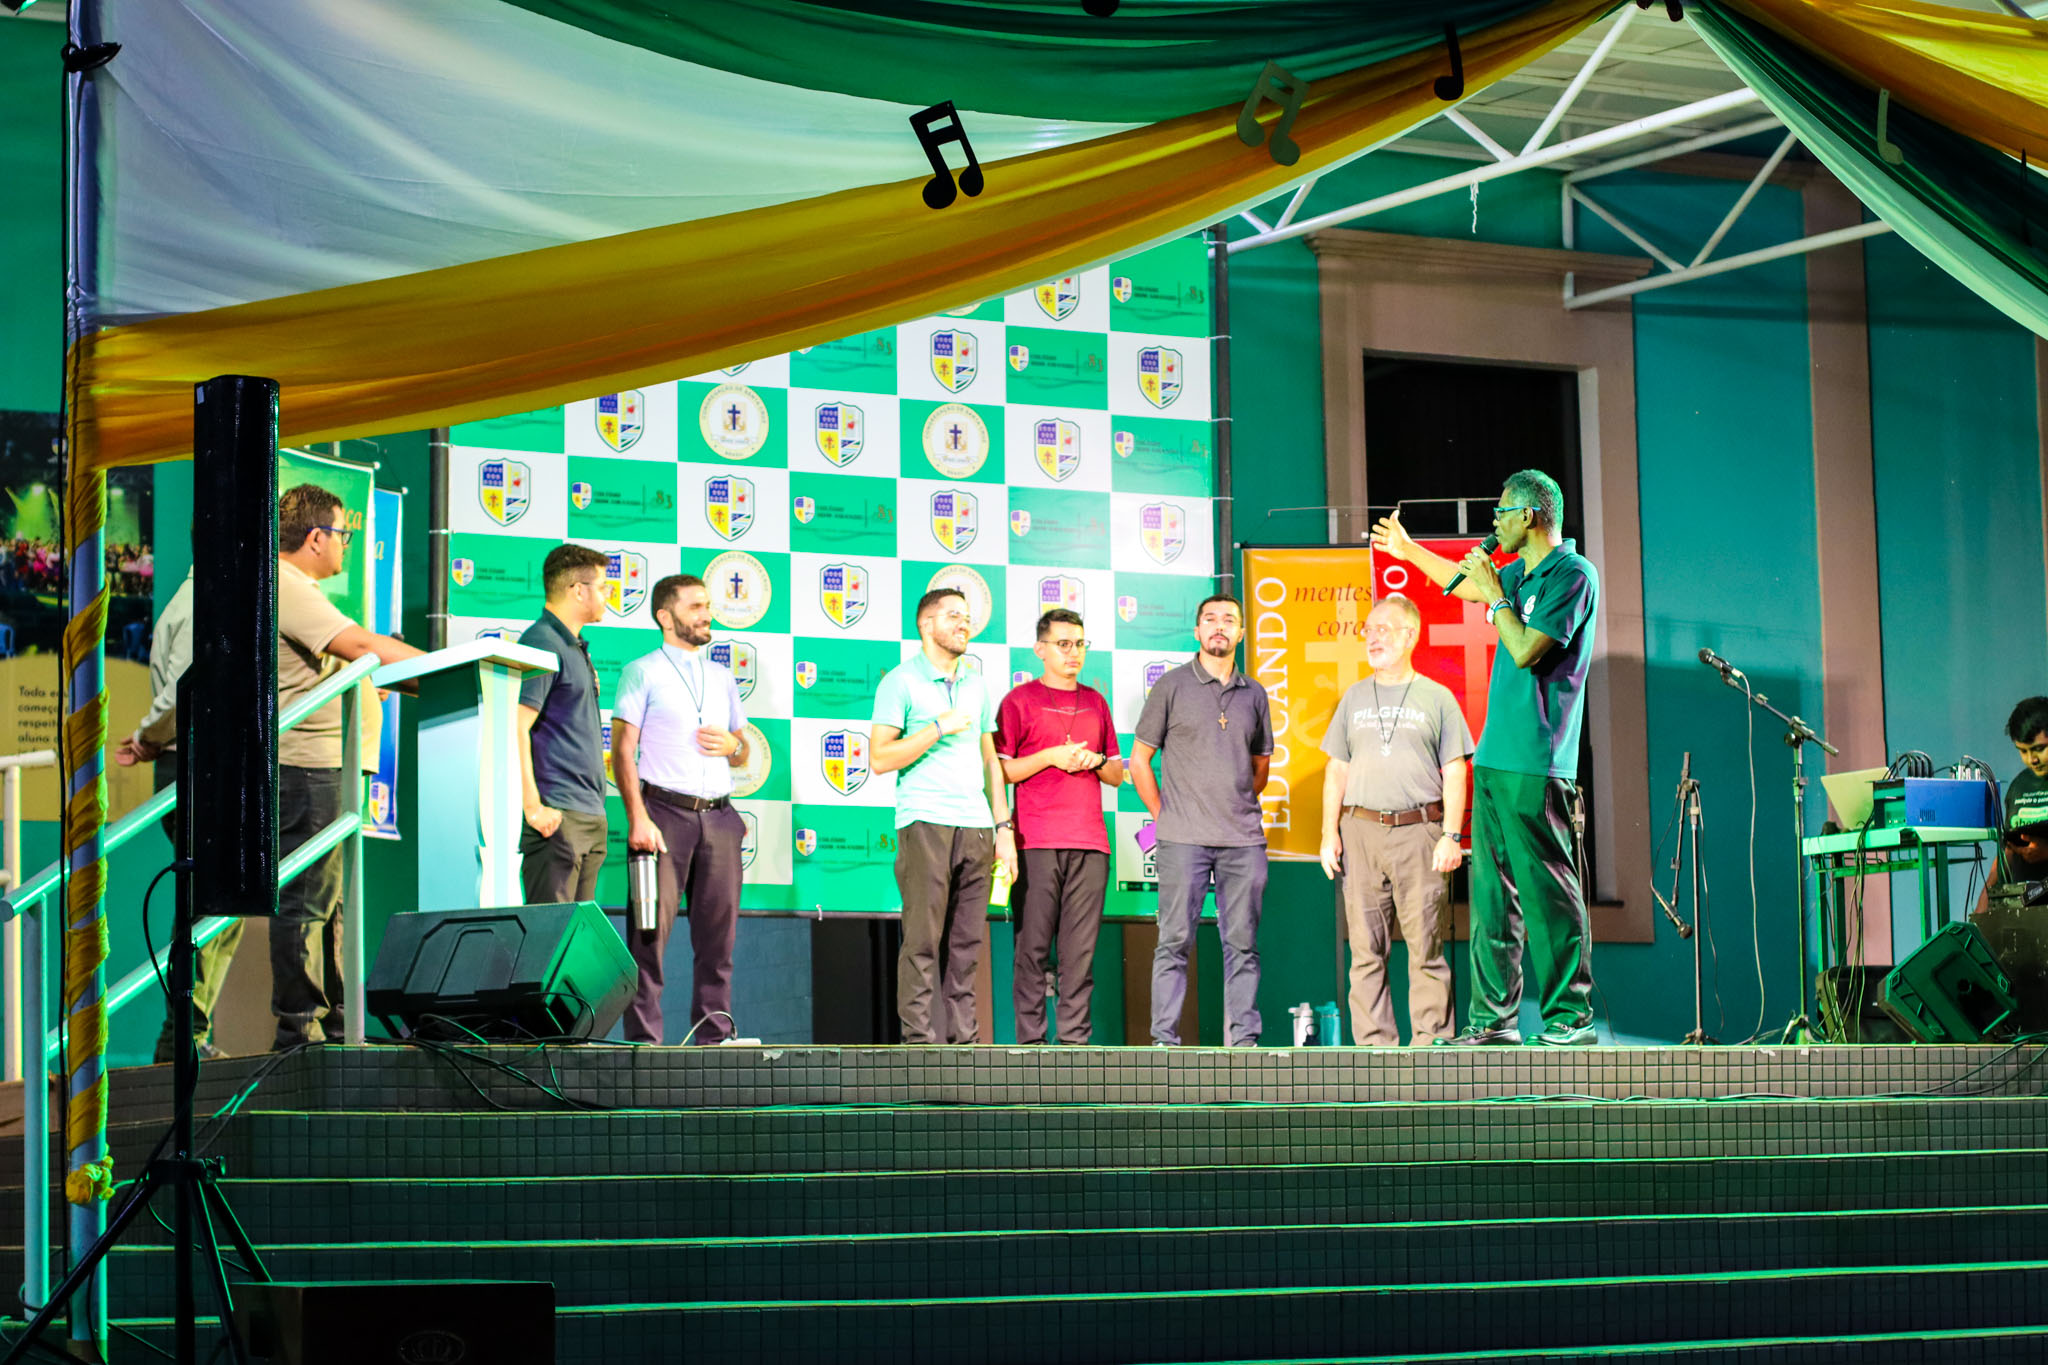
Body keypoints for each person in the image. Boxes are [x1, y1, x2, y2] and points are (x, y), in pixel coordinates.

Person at [1372, 469, 1601, 1046]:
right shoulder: (1518, 572)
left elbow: (1525, 649)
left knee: (1547, 891)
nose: (1493, 521)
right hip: (1497, 757)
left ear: (1528, 516)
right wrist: (1407, 549)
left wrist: (1498, 597)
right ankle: (1493, 1022)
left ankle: (1570, 1017)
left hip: (1538, 759)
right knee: (1493, 898)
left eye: (1501, 511)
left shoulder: (1572, 574)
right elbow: (1461, 583)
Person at [273, 484, 421, 1048]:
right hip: (310, 769)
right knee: (307, 903)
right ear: (316, 538)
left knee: (329, 904)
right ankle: (299, 1032)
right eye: (343, 534)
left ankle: (335, 1027)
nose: (345, 545)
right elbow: (360, 646)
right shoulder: (288, 585)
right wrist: (450, 669)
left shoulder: (297, 588)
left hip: (325, 767)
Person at [1316, 595, 1472, 1046]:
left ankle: (1430, 1046)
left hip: (1420, 832)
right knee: (1365, 950)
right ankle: (1374, 1051)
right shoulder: (1354, 697)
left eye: (1383, 629)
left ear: (1410, 636)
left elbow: (1456, 771)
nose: (1373, 637)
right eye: (1369, 629)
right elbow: (1336, 769)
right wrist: (1328, 834)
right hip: (1360, 832)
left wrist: (1451, 836)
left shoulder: (1437, 698)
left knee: (1426, 948)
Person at [871, 587, 1017, 1045]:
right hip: (925, 821)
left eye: (967, 616)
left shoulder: (976, 683)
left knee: (967, 945)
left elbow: (991, 761)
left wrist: (1003, 828)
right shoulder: (900, 681)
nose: (964, 623)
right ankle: (918, 1044)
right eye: (953, 615)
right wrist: (937, 728)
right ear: (926, 624)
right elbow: (879, 758)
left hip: (976, 826)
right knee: (922, 940)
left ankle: (965, 1045)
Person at [610, 574, 751, 1044]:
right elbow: (622, 750)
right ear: (665, 617)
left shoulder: (722, 676)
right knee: (649, 937)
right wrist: (638, 817)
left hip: (720, 817)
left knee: (719, 942)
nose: (707, 615)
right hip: (663, 815)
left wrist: (734, 745)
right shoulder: (641, 671)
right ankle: (644, 1044)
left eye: (707, 606)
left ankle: (715, 1039)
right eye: (695, 607)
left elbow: (743, 750)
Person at [1131, 595, 1273, 1047]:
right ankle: (1164, 1042)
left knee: (1243, 945)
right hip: (1183, 840)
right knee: (1173, 941)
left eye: (1228, 620)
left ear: (1241, 633)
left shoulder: (1255, 693)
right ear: (1196, 631)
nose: (1219, 626)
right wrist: (1165, 816)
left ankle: (1244, 1043)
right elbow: (1139, 761)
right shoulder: (1171, 686)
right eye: (1210, 619)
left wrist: (1234, 804)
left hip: (1242, 840)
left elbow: (1261, 767)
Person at [113, 567, 237, 1062]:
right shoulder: (204, 600)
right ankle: (182, 1039)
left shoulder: (199, 597)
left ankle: (186, 1035)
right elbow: (186, 687)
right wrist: (148, 735)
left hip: (192, 761)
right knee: (210, 904)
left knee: (218, 905)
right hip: (193, 763)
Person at [996, 608, 1124, 1044]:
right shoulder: (1018, 701)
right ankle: (1031, 1046)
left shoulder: (1096, 702)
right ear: (1040, 649)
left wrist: (1095, 760)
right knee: (1031, 950)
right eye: (1064, 644)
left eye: (1080, 644)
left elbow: (1116, 773)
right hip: (1035, 841)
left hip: (1091, 844)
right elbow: (1002, 771)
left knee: (1079, 955)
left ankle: (1073, 1047)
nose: (1074, 652)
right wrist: (1050, 756)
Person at [516, 544, 612, 904]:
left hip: (588, 814)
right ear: (578, 591)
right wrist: (533, 807)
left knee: (575, 935)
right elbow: (516, 726)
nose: (608, 595)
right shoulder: (542, 642)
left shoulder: (574, 646)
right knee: (550, 933)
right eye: (603, 587)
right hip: (558, 817)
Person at [1995, 696, 2048, 886]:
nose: (2032, 759)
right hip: (2024, 900)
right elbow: (2007, 851)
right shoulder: (2018, 786)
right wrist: (1984, 899)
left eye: (2039, 749)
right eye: (2023, 751)